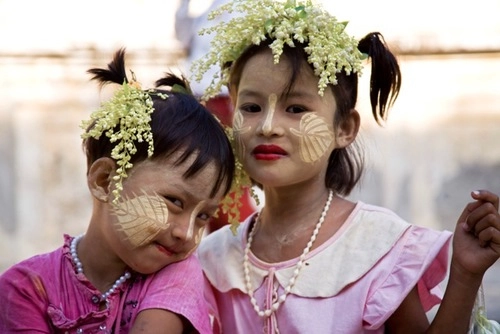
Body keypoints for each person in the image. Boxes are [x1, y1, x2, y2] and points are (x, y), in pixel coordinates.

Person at [192, 0, 500, 333]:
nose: (267, 126)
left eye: (295, 108)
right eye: (251, 107)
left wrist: (466, 275)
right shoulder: (212, 256)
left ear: (345, 129)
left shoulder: (376, 246)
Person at [0, 48, 235, 333]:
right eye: (174, 201)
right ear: (104, 181)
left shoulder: (177, 271)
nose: (186, 234)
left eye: (203, 217)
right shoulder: (26, 288)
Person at [175, 0, 257, 233]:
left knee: (226, 178)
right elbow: (183, 37)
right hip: (197, 101)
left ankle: (241, 236)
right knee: (196, 175)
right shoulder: (207, 12)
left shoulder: (245, 9)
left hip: (225, 101)